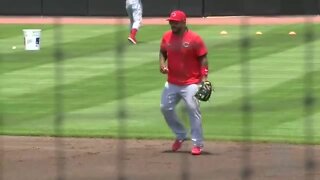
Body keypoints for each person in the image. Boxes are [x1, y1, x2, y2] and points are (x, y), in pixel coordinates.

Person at [159, 10, 210, 155]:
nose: (172, 24)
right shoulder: (166, 37)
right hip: (172, 82)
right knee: (165, 108)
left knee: (193, 110)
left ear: (183, 22)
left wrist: (204, 78)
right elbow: (163, 52)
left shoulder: (194, 39)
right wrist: (162, 64)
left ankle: (198, 143)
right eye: (171, 22)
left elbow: (203, 58)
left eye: (175, 22)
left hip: (191, 83)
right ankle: (181, 134)